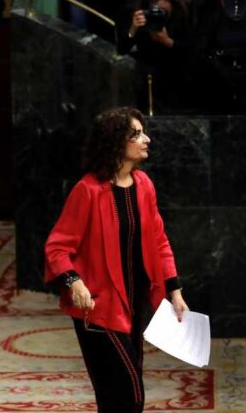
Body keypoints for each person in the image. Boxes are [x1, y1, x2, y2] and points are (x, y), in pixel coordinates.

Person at [45, 107, 189, 412]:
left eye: (143, 132)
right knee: (130, 392)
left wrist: (174, 291)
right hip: (96, 306)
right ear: (115, 143)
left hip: (133, 302)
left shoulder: (144, 185)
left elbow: (160, 241)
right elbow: (57, 248)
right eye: (136, 134)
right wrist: (74, 282)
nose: (146, 139)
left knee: (112, 396)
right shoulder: (87, 191)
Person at [120, 0, 193, 110]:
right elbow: (122, 49)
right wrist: (133, 29)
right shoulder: (140, 15)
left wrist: (168, 42)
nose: (159, 12)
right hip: (146, 80)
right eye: (154, 6)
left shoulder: (183, 15)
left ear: (171, 2)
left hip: (177, 80)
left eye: (163, 8)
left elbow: (191, 52)